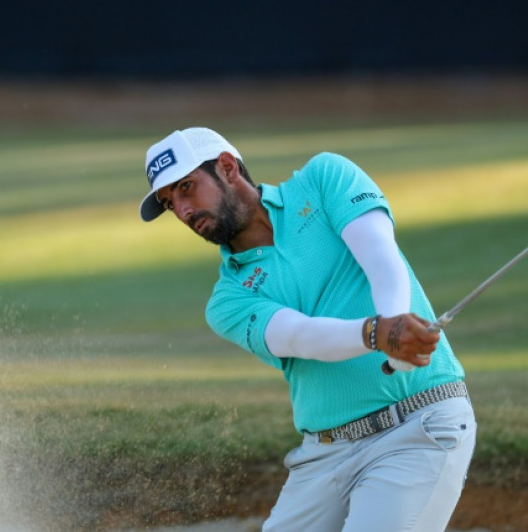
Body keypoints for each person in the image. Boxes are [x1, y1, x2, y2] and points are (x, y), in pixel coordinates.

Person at [138, 127, 476, 531]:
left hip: (417, 426)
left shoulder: (323, 178)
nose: (183, 210)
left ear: (227, 168)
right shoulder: (226, 299)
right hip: (324, 454)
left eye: (187, 187)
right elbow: (298, 335)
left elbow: (380, 254)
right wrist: (377, 333)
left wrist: (395, 322)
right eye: (170, 202)